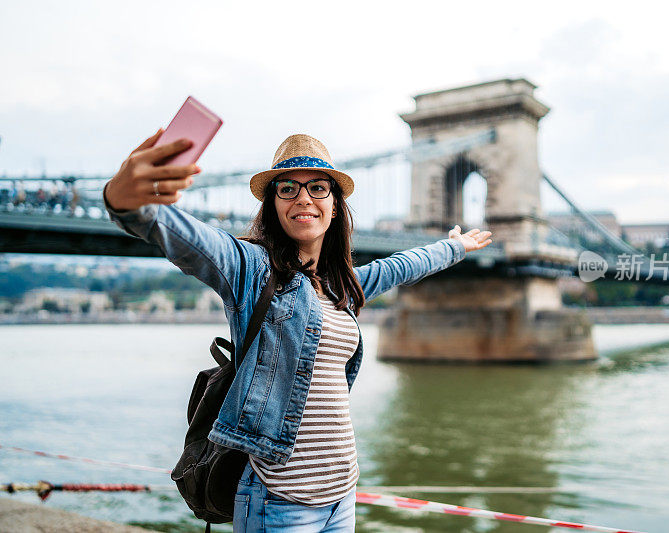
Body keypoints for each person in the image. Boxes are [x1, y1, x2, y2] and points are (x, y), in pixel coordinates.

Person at [102, 130, 492, 532]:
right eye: (287, 188)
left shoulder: (342, 287)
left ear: (335, 207)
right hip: (279, 498)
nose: (304, 198)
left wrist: (454, 248)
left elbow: (400, 266)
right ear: (273, 206)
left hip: (341, 495)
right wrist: (127, 200)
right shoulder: (251, 271)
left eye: (318, 188)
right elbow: (193, 241)